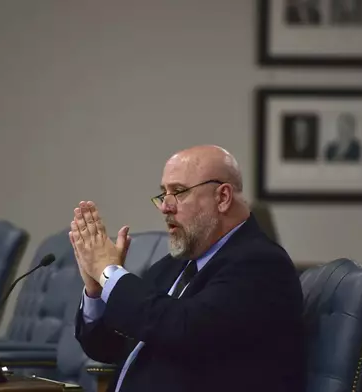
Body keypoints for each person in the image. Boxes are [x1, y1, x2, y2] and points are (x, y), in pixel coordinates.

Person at [69, 145, 306, 392]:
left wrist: (109, 273)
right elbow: (109, 347)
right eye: (164, 194)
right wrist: (96, 289)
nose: (165, 207)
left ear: (222, 197)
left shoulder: (260, 265)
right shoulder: (174, 266)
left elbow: (182, 327)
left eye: (179, 192)